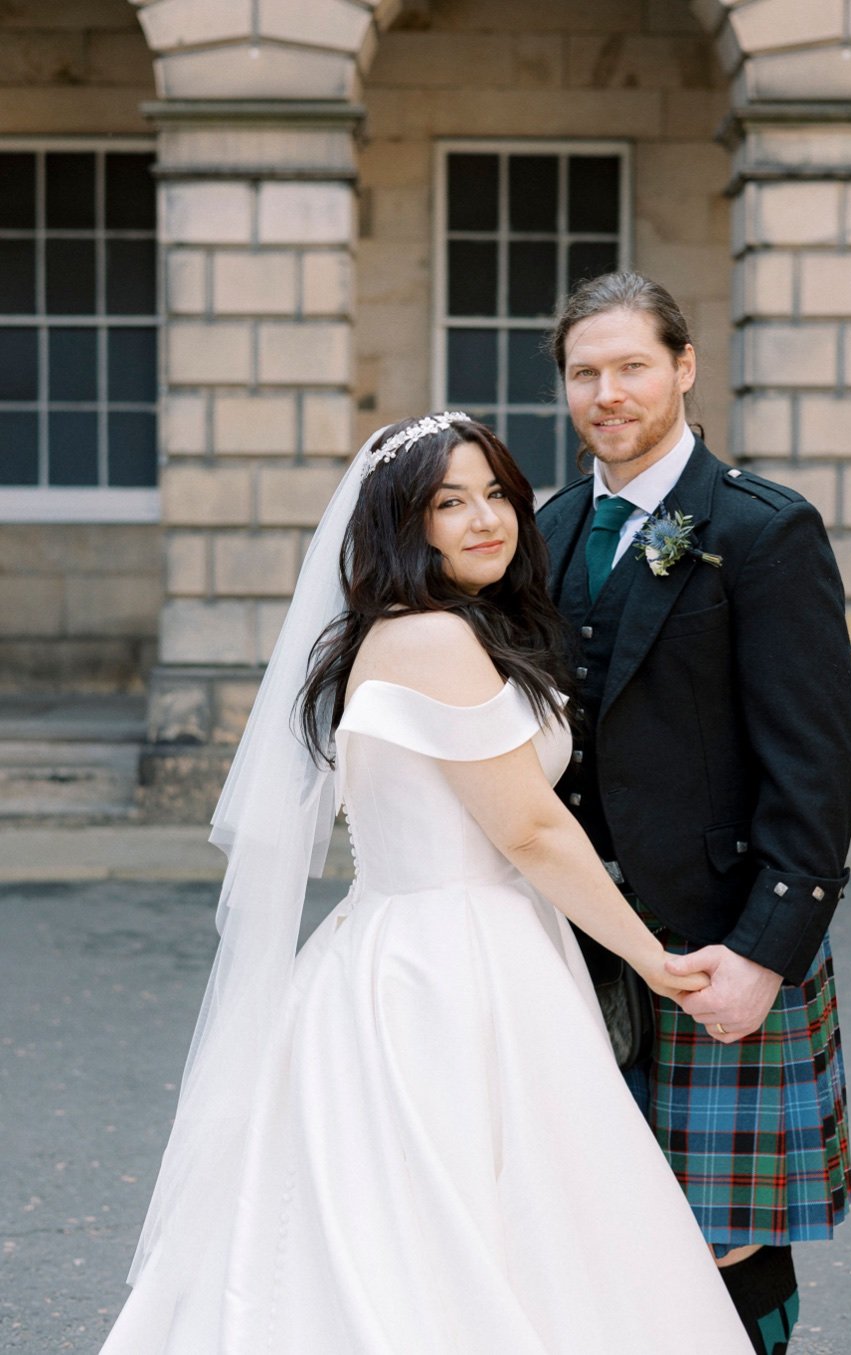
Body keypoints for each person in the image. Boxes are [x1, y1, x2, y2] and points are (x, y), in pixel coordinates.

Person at [103, 413, 752, 1353]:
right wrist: (652, 959)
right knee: (457, 1221)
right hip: (446, 970)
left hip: (445, 945)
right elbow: (528, 825)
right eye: (450, 503)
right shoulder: (432, 640)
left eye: (495, 495)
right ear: (405, 523)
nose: (486, 519)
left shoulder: (430, 629)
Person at [534, 272, 851, 1355]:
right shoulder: (548, 525)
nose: (607, 392)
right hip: (577, 930)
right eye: (585, 372)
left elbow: (814, 768)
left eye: (631, 365)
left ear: (682, 367)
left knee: (722, 1223)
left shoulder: (763, 529)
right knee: (594, 1203)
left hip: (716, 925)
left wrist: (766, 950)